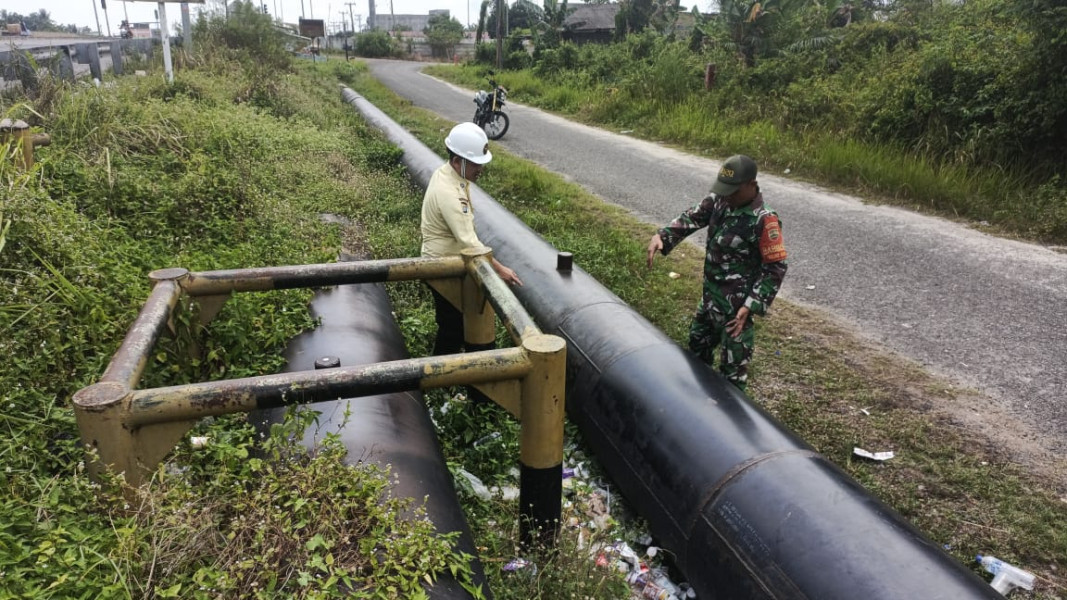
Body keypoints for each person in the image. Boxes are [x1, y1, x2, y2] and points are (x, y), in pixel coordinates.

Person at [646, 155, 788, 391]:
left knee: (732, 377)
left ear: (751, 185)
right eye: (724, 190)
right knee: (695, 354)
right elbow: (692, 217)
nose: (727, 195)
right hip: (710, 300)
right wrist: (663, 236)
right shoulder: (720, 201)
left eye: (733, 190)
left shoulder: (764, 221)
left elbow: (775, 267)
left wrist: (750, 306)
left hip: (736, 314)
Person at [421, 122, 523, 355]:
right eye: (476, 163)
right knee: (452, 327)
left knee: (454, 324)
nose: (481, 169)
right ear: (458, 161)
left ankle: (446, 378)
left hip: (446, 260)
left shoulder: (448, 174)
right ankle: (440, 380)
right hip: (441, 267)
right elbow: (469, 243)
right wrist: (500, 269)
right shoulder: (450, 193)